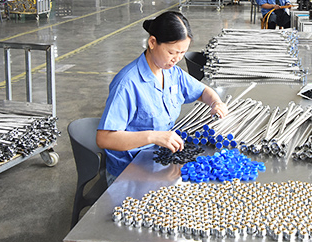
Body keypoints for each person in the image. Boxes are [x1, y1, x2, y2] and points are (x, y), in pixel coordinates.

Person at [96, 11, 229, 184]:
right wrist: (153, 136)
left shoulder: (172, 73)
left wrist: (216, 102)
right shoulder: (128, 83)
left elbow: (203, 91)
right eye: (172, 52)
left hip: (159, 158)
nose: (177, 59)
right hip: (129, 170)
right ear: (152, 42)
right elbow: (104, 138)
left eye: (182, 53)